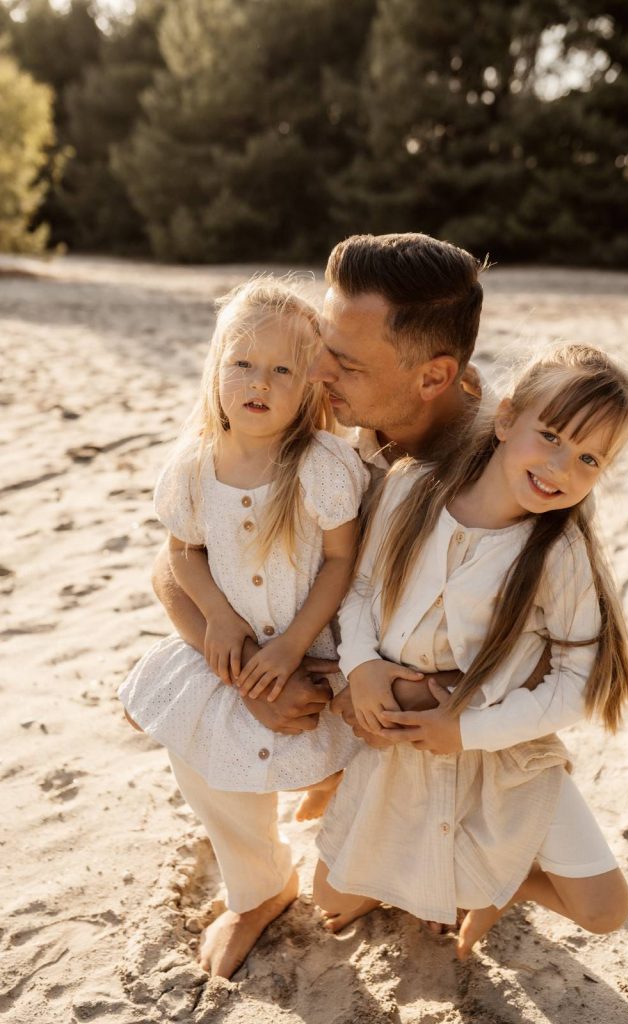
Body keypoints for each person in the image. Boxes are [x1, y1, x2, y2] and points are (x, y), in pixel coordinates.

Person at [149, 233, 488, 976]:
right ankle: (262, 883)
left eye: (340, 363)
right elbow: (176, 560)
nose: (316, 375)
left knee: (350, 883)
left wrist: (322, 678)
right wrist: (240, 669)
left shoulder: (480, 487)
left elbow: (483, 661)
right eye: (322, 353)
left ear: (434, 378)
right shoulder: (240, 445)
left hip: (371, 676)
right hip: (269, 655)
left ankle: (441, 842)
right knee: (195, 728)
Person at [314, 343, 628, 961]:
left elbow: (578, 680)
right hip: (404, 743)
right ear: (506, 417)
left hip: (500, 751)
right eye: (550, 436)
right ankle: (442, 879)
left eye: (589, 458)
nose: (560, 467)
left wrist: (468, 731)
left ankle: (501, 885)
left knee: (604, 911)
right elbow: (358, 590)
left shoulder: (557, 552)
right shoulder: (411, 493)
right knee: (329, 901)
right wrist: (360, 665)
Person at [119, 277, 370, 976]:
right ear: (217, 365)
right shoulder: (192, 466)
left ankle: (361, 850)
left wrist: (293, 642)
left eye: (282, 369)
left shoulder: (322, 467)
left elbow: (341, 561)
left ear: (309, 385)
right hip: (235, 653)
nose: (258, 382)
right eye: (242, 363)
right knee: (204, 760)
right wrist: (220, 618)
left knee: (353, 757)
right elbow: (182, 550)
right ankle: (260, 888)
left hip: (310, 647)